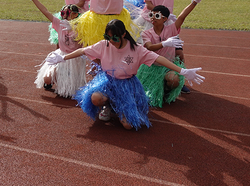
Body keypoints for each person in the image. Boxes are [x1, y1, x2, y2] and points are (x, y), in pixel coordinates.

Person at [46, 19, 205, 130]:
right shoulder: (104, 44)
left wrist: (182, 71)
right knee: (95, 98)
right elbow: (83, 50)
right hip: (107, 82)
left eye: (114, 37)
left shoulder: (137, 50)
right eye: (107, 37)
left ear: (122, 35)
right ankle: (107, 105)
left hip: (127, 86)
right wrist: (63, 57)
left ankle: (121, 107)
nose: (110, 41)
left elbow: (160, 59)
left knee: (129, 126)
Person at [137, 0, 210, 107]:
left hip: (168, 67)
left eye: (157, 15)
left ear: (165, 19)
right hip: (151, 67)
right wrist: (164, 44)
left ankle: (165, 90)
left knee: (174, 80)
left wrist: (194, 2)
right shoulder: (147, 33)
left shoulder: (171, 29)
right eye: (151, 15)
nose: (153, 18)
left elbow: (182, 16)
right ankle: (156, 87)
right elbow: (149, 47)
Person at [22, 0, 87, 98]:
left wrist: (73, 28)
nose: (63, 16)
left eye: (67, 13)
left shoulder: (82, 27)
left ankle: (67, 81)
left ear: (75, 15)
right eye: (62, 13)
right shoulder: (59, 23)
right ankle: (54, 80)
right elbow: (45, 11)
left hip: (74, 58)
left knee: (69, 92)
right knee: (47, 78)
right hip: (61, 55)